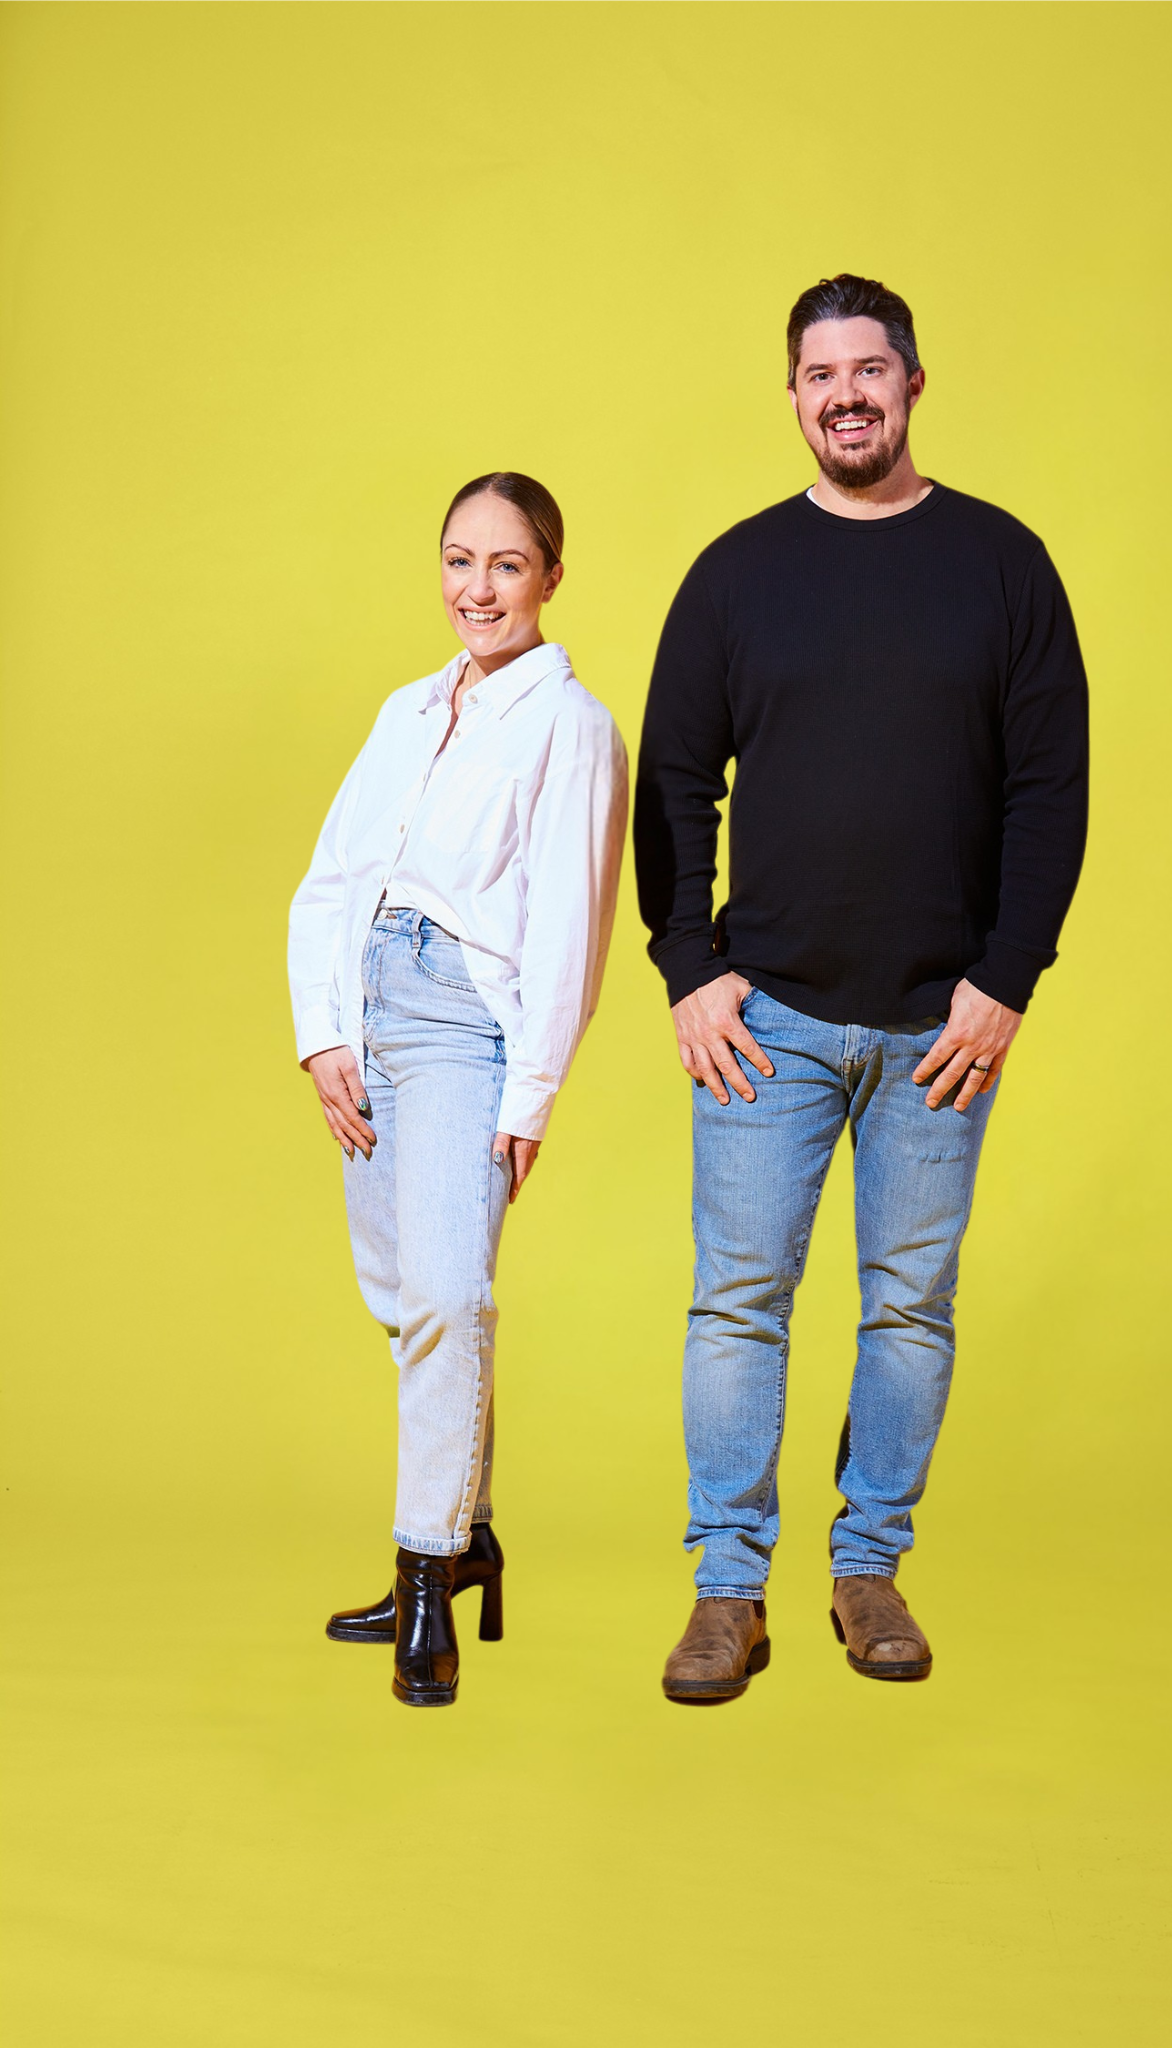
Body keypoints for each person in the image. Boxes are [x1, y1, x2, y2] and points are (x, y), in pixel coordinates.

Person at [636, 274, 1089, 1704]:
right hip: (762, 1023)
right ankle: (728, 1590)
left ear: (911, 383)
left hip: (940, 1028)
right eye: (820, 373)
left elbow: (1050, 787)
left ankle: (867, 1568)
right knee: (737, 1305)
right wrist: (689, 970)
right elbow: (671, 782)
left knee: (908, 1306)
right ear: (792, 394)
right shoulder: (735, 573)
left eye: (869, 369)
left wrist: (1005, 979)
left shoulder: (1003, 564)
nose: (845, 394)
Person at [289, 472, 627, 1708]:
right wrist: (323, 1034)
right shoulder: (405, 710)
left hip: (459, 1022)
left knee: (446, 1293)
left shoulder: (571, 725)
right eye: (458, 560)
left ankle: (426, 1577)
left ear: (550, 576)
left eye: (506, 564)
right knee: (405, 1300)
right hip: (368, 1012)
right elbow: (331, 878)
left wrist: (528, 1097)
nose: (477, 588)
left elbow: (571, 930)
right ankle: (465, 1529)